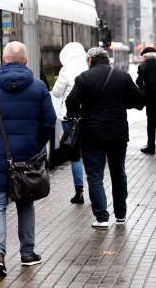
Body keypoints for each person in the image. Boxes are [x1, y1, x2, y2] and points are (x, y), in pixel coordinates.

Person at [0, 41, 56, 277]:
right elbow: (49, 122)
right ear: (25, 61)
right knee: (25, 203)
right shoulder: (38, 87)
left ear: (3, 60)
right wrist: (35, 146)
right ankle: (27, 254)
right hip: (27, 158)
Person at [65, 47, 144, 229]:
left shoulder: (84, 77)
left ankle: (101, 218)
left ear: (90, 61)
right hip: (118, 133)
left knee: (94, 176)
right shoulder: (122, 76)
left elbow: (71, 102)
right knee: (118, 174)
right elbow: (139, 98)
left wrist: (75, 115)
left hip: (92, 134)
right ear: (106, 60)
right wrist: (122, 104)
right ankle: (121, 215)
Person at [51, 42, 88, 204]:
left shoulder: (65, 70)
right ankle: (95, 187)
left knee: (75, 156)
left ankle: (79, 190)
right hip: (89, 118)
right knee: (91, 154)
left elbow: (57, 93)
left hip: (70, 120)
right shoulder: (89, 68)